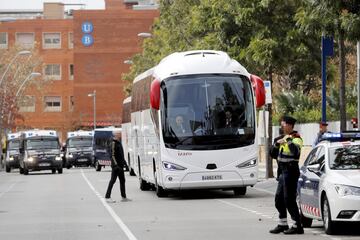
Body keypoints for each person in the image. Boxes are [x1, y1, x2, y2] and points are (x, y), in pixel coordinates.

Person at [269, 116, 304, 235]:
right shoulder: (280, 138)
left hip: (291, 171)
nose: (282, 126)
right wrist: (276, 145)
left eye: (283, 124)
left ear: (289, 125)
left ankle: (297, 225)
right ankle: (282, 223)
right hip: (282, 171)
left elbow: (295, 152)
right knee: (279, 199)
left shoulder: (296, 138)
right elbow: (272, 154)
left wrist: (288, 141)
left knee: (289, 199)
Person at [105, 130, 130, 203]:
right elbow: (112, 155)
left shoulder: (119, 142)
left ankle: (124, 197)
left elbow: (121, 155)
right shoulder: (113, 143)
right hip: (116, 166)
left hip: (121, 166)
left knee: (122, 181)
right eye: (119, 133)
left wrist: (125, 164)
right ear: (116, 135)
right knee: (112, 181)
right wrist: (115, 165)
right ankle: (107, 197)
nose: (121, 134)